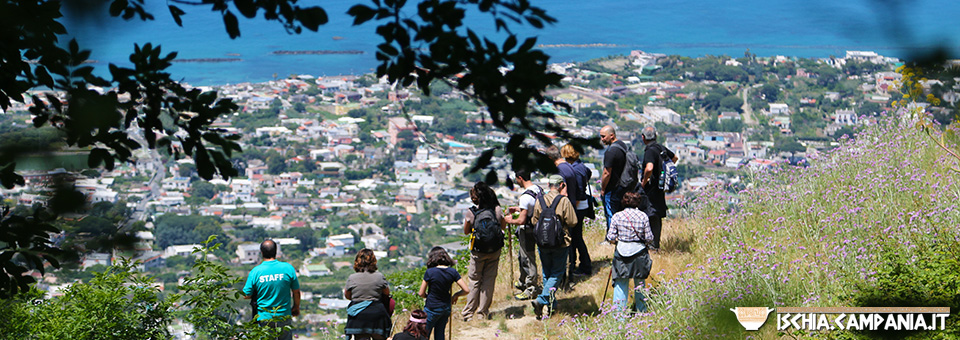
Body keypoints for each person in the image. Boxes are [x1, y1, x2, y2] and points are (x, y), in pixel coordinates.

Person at [529, 175, 578, 319]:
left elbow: (534, 221)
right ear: (562, 185)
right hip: (560, 242)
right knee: (557, 272)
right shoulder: (564, 201)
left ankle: (551, 306)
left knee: (547, 272)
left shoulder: (540, 200)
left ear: (549, 184)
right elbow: (572, 221)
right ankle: (542, 299)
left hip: (543, 242)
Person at [460, 181, 506, 321]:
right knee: (489, 280)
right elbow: (502, 226)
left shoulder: (472, 212)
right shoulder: (496, 209)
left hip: (478, 251)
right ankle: (482, 312)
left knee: (474, 280)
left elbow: (466, 231)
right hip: (494, 250)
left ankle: (468, 313)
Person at [605, 191, 655, 313]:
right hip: (639, 252)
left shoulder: (617, 216)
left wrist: (617, 242)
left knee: (620, 283)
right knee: (640, 283)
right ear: (638, 202)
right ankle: (641, 311)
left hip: (622, 252)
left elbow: (610, 237)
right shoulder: (643, 216)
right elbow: (649, 238)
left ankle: (619, 315)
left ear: (624, 201)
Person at [243, 239, 301, 340]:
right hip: (284, 315)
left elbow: (246, 295)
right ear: (276, 251)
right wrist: (296, 307)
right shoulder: (288, 268)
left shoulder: (256, 272)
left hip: (264, 317)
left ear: (261, 253)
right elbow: (296, 292)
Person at [503, 170, 542, 301]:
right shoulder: (537, 189)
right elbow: (533, 208)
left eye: (517, 179)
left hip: (528, 231)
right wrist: (519, 209)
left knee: (528, 258)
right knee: (523, 256)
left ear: (520, 178)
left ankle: (531, 288)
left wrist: (509, 220)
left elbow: (521, 221)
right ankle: (523, 281)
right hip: (538, 227)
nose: (516, 181)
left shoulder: (525, 197)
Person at [418, 247, 470, 340]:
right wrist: (456, 295)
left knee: (425, 334)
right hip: (446, 307)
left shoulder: (430, 272)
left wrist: (427, 296)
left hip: (431, 307)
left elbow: (421, 293)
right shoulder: (452, 272)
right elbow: (466, 290)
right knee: (440, 334)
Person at [639, 125, 677, 250]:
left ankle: (651, 246)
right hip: (660, 187)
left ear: (643, 138)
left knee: (649, 214)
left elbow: (649, 167)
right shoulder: (660, 148)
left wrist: (644, 181)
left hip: (651, 188)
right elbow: (674, 158)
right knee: (656, 216)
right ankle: (655, 244)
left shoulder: (650, 150)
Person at [344, 249, 392, 340]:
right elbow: (386, 293)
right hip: (377, 314)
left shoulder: (352, 278)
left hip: (358, 315)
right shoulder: (379, 276)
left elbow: (347, 295)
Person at [561, 143, 593, 277]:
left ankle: (584, 265)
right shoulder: (581, 167)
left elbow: (579, 191)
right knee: (576, 237)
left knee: (576, 238)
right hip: (582, 206)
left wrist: (571, 207)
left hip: (578, 207)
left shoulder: (575, 169)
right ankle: (577, 264)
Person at [599, 125, 629, 232]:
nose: (602, 139)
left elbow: (607, 172)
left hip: (612, 188)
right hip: (624, 185)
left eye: (603, 137)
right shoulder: (623, 146)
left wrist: (603, 189)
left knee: (610, 213)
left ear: (611, 135)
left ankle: (611, 237)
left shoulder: (611, 151)